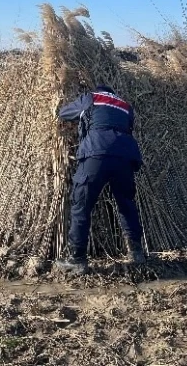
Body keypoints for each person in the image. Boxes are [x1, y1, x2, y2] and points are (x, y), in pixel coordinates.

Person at [55, 85, 146, 275]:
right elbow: (129, 127)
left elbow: (64, 114)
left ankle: (77, 259)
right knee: (126, 204)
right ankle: (137, 253)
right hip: (125, 155)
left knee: (81, 204)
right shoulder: (125, 105)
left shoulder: (91, 98)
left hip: (96, 152)